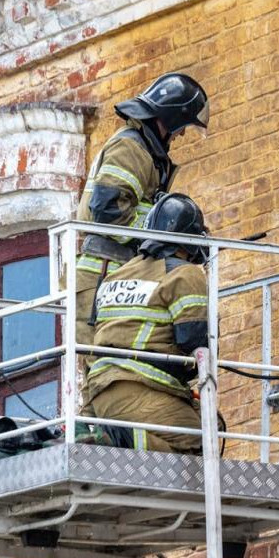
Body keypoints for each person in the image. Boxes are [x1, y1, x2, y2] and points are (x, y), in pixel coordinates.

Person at [74, 72, 209, 363]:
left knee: (119, 366)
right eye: (183, 126)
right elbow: (108, 211)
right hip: (102, 272)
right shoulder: (131, 147)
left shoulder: (146, 151)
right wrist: (162, 233)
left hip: (116, 270)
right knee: (102, 367)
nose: (182, 134)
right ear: (172, 118)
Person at [84, 193, 211, 453]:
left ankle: (106, 436)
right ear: (190, 241)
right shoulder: (184, 272)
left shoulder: (115, 276)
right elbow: (194, 340)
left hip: (100, 394)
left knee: (201, 417)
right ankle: (117, 441)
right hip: (141, 388)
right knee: (201, 441)